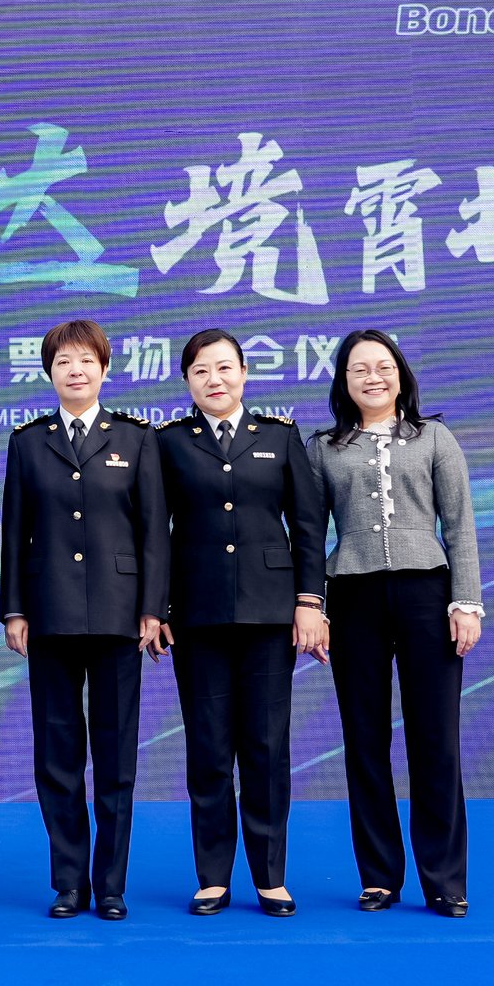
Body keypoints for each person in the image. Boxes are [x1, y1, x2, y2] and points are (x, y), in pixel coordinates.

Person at [306, 329, 483, 918]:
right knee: (365, 739)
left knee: (436, 739)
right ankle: (379, 876)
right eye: (359, 369)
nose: (373, 377)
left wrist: (466, 601)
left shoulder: (433, 437)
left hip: (427, 594)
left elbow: (459, 524)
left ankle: (445, 880)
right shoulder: (323, 448)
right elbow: (309, 534)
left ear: (401, 374)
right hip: (352, 594)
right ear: (344, 381)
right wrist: (314, 606)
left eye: (383, 366)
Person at [155, 328, 327, 917]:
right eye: (201, 371)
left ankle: (271, 876)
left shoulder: (278, 436)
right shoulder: (168, 443)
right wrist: (159, 608)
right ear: (187, 381)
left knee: (265, 745)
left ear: (244, 373)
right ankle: (212, 877)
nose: (215, 379)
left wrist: (309, 602)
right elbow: (154, 532)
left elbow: (308, 526)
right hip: (197, 614)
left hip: (269, 613)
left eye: (225, 367)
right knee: (208, 747)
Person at [0, 320, 167, 921]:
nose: (76, 370)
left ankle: (111, 884)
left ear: (104, 369)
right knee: (58, 755)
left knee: (116, 757)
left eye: (86, 360)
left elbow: (154, 533)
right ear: (49, 371)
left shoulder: (136, 439)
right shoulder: (28, 442)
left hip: (121, 617)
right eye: (64, 361)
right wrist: (14, 609)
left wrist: (153, 608)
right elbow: (13, 531)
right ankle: (69, 881)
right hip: (48, 615)